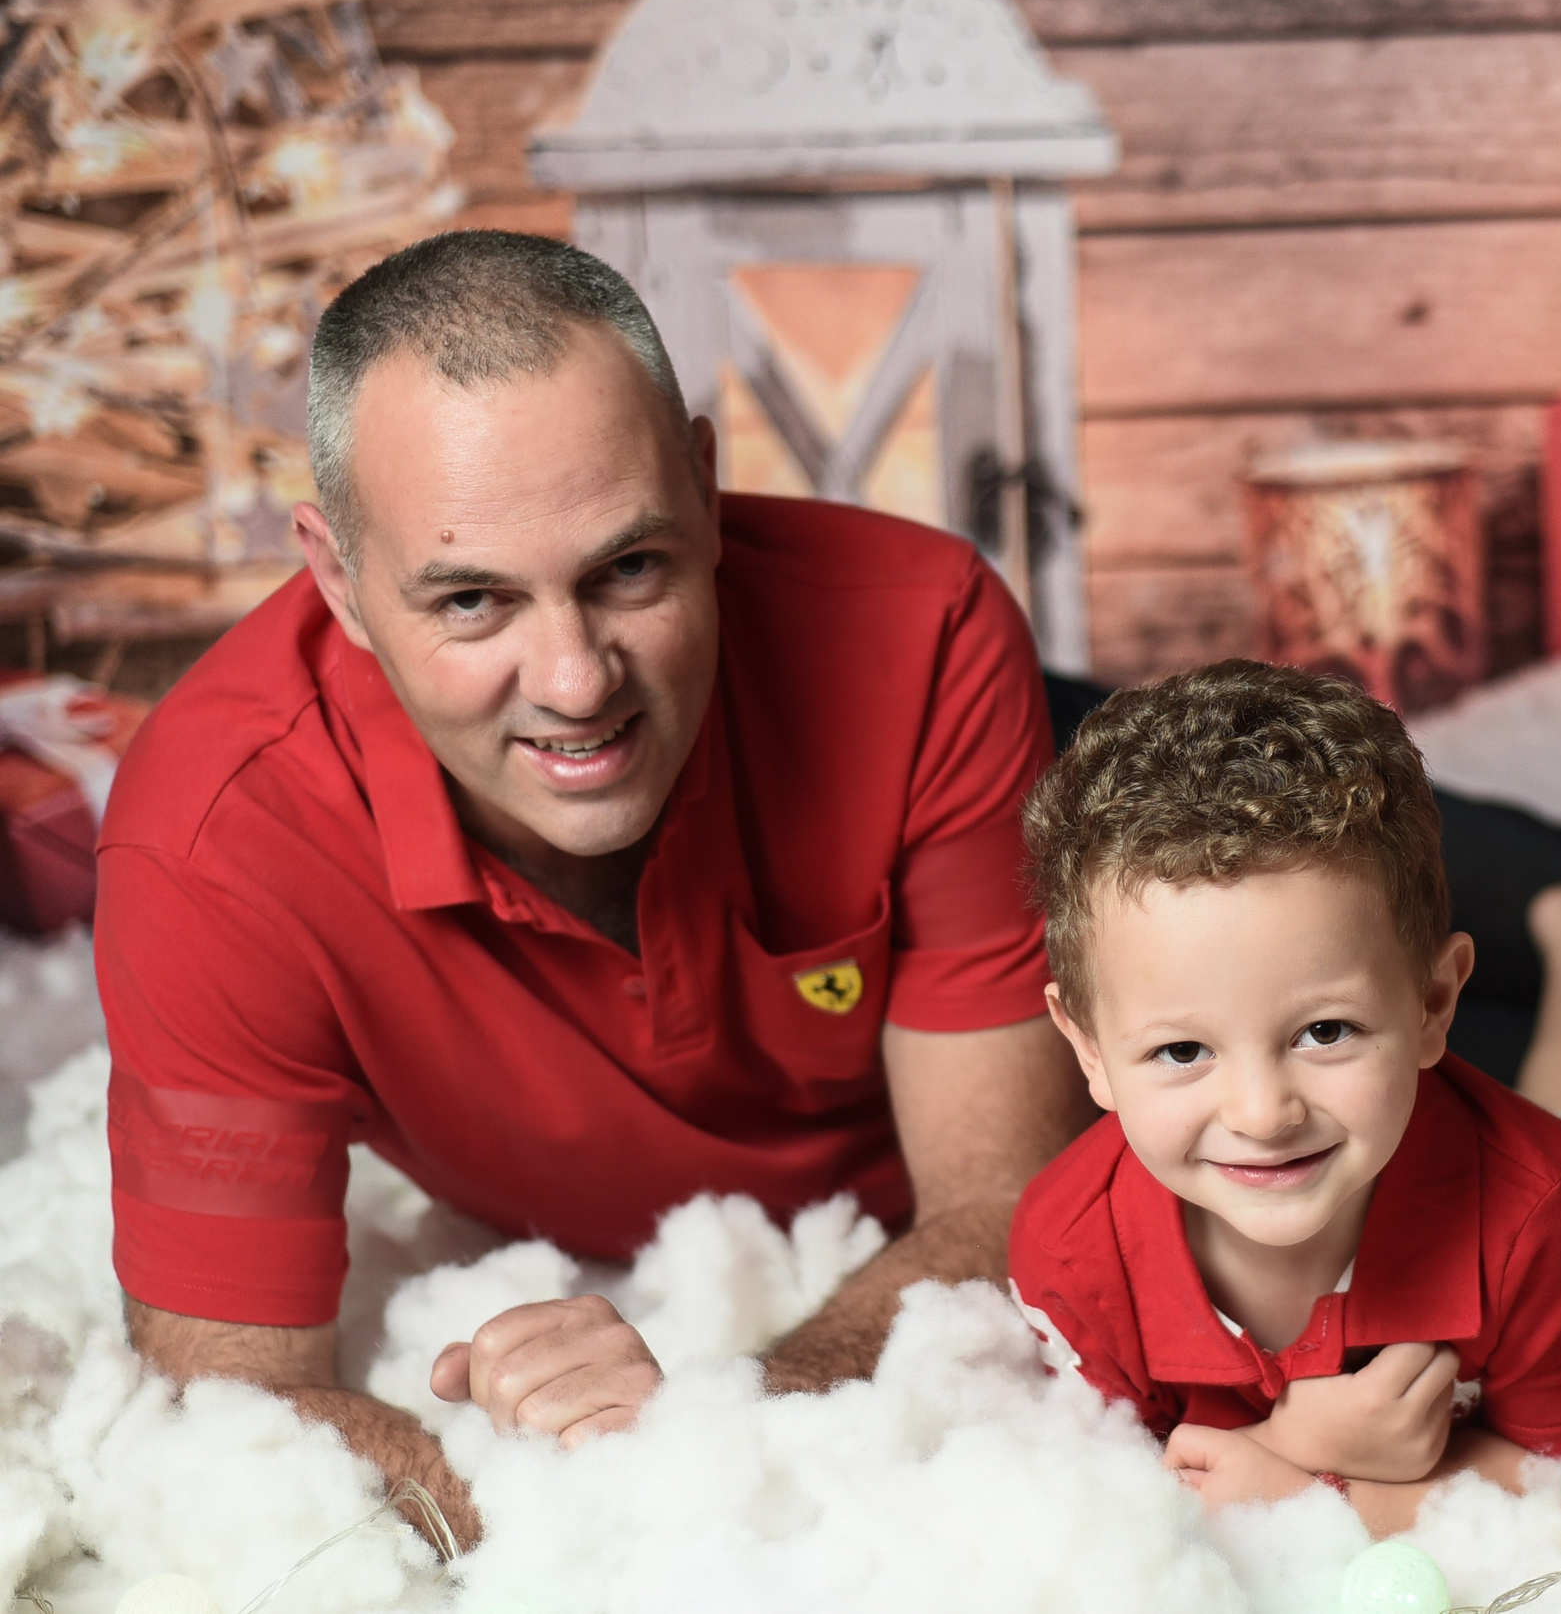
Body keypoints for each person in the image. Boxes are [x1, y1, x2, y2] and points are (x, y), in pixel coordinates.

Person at [96, 232, 1092, 1544]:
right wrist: (594, 1486)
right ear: (338, 577)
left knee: (1397, 950)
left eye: (628, 568)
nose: (574, 678)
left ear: (705, 483)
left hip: (1047, 753)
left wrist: (723, 1408)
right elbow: (234, 1407)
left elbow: (1012, 1203)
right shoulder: (211, 840)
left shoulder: (924, 636)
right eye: (471, 600)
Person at [1007, 662, 1561, 1534]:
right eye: (1182, 1050)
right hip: (1429, 1131)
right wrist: (1295, 1438)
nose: (1263, 1114)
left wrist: (1306, 1481)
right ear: (1088, 1050)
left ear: (1431, 1004)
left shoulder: (1547, 1209)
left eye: (1325, 1031)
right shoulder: (1069, 1247)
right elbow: (1107, 1503)